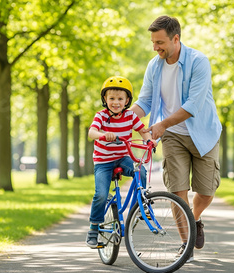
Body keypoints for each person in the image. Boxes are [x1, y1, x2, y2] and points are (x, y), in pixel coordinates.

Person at [129, 15, 222, 259]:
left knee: (206, 192)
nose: (155, 47)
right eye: (153, 42)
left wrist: (161, 124)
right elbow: (145, 101)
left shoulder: (199, 62)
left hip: (203, 133)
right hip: (172, 136)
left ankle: (195, 218)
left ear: (176, 39)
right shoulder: (154, 66)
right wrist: (122, 119)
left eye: (160, 42)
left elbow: (193, 104)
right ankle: (186, 247)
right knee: (177, 191)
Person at [86, 75, 157, 248]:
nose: (115, 102)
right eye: (111, 98)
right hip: (103, 162)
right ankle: (93, 229)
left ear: (127, 101)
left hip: (122, 158)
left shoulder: (131, 116)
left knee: (140, 171)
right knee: (101, 195)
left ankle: (139, 207)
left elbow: (143, 131)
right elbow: (91, 132)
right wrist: (103, 135)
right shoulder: (101, 116)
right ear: (105, 99)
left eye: (120, 99)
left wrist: (149, 140)